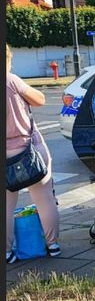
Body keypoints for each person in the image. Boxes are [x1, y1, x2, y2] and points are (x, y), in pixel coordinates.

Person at [6, 44, 61, 263]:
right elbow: (40, 100)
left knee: (6, 206)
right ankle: (53, 244)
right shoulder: (11, 80)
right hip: (30, 149)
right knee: (44, 198)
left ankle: (7, 252)